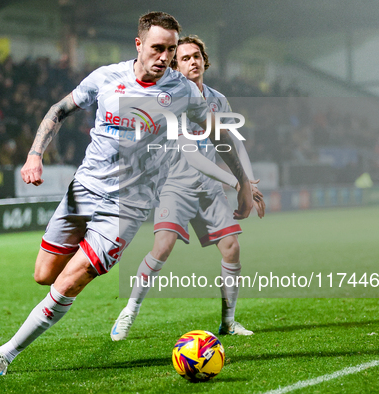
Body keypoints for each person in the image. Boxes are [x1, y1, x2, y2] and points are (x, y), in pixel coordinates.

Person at [0, 11, 253, 376]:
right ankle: (88, 254)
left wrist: (244, 184)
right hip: (84, 190)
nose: (165, 58)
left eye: (171, 50)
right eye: (158, 48)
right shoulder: (106, 78)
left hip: (126, 207)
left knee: (70, 281)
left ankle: (5, 355)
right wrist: (34, 155)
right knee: (44, 275)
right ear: (139, 45)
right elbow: (58, 111)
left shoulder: (182, 91)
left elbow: (219, 134)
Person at [110, 36, 266, 342]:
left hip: (209, 188)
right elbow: (191, 155)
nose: (192, 61)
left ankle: (228, 321)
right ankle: (129, 311)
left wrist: (248, 180)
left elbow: (232, 142)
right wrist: (237, 182)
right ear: (175, 66)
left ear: (204, 60)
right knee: (162, 247)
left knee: (232, 247)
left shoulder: (217, 100)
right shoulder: (172, 100)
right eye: (184, 58)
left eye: (196, 56)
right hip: (175, 184)